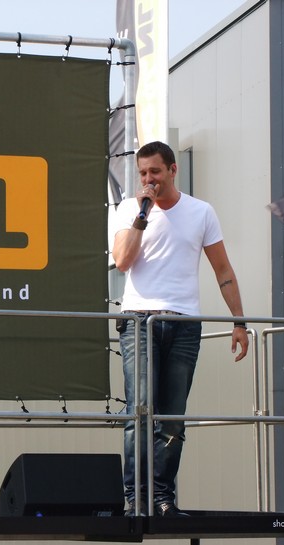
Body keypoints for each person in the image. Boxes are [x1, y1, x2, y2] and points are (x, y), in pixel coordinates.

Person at [111, 141, 249, 518]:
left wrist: (239, 321)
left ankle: (162, 498)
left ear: (173, 170)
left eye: (155, 172)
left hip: (184, 323)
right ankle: (134, 498)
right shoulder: (128, 209)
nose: (148, 180)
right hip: (139, 321)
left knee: (173, 417)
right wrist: (142, 215)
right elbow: (122, 261)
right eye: (143, 173)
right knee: (140, 410)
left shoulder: (201, 211)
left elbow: (223, 270)